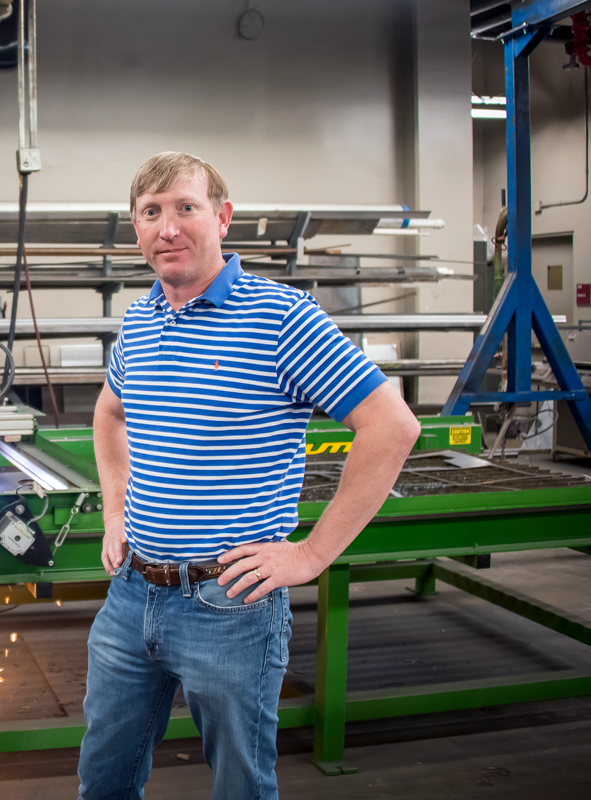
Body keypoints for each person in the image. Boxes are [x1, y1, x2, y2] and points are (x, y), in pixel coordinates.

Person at [79, 151, 421, 800]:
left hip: (228, 603)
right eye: (150, 213)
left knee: (241, 786)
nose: (168, 227)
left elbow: (392, 427)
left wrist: (314, 553)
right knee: (104, 779)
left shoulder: (281, 319)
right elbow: (109, 411)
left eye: (186, 207)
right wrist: (116, 513)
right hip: (131, 596)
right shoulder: (143, 318)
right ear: (136, 229)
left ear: (223, 218)